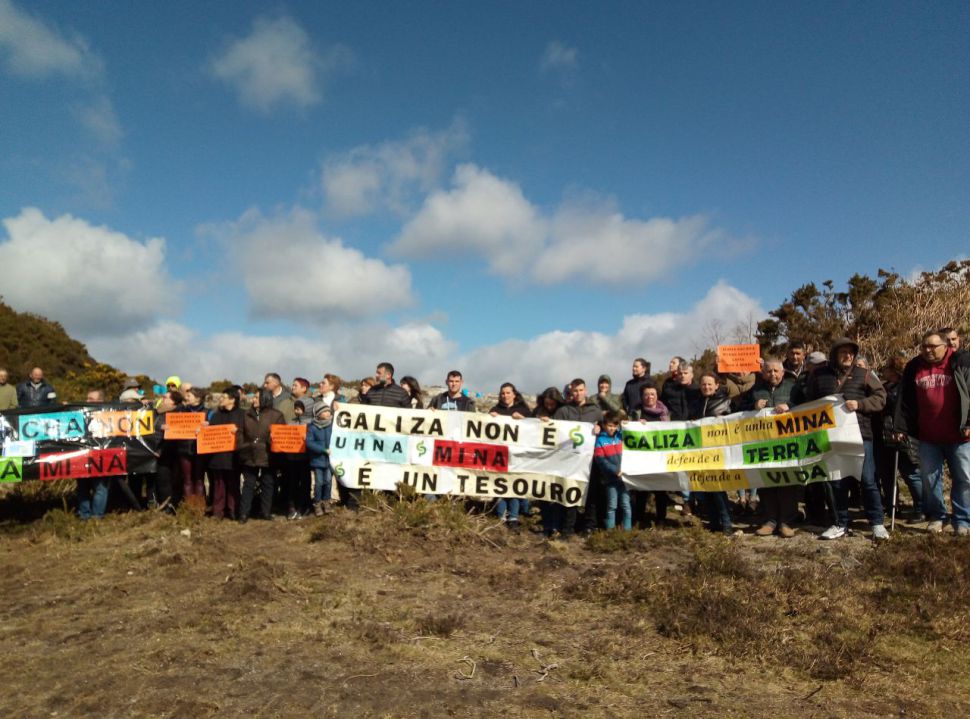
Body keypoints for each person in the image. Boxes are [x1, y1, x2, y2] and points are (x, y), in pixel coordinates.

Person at [803, 338, 888, 540]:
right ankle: (840, 523)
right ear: (834, 354)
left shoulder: (864, 374)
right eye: (843, 352)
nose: (848, 356)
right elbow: (809, 404)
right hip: (831, 438)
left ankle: (877, 523)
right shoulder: (819, 375)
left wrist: (860, 404)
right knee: (837, 482)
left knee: (867, 480)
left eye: (851, 352)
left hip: (861, 436)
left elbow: (880, 397)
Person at [895, 331, 970, 535]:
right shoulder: (914, 367)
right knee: (930, 480)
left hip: (959, 436)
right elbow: (905, 399)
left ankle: (962, 519)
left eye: (933, 346)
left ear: (945, 346)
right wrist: (900, 427)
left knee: (964, 478)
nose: (927, 350)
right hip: (928, 436)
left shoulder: (960, 362)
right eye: (924, 346)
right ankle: (938, 516)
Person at [743, 360, 797, 537]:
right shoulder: (756, 390)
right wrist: (753, 406)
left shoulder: (792, 387)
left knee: (787, 482)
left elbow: (806, 404)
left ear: (782, 372)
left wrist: (790, 406)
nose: (772, 374)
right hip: (764, 444)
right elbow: (739, 408)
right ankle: (770, 521)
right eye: (768, 371)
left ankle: (786, 522)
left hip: (787, 443)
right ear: (763, 373)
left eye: (775, 371)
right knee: (767, 482)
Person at [546, 378, 602, 538]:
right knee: (569, 493)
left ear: (586, 391)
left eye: (580, 390)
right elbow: (554, 429)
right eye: (574, 391)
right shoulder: (563, 411)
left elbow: (608, 428)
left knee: (591, 494)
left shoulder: (595, 410)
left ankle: (589, 527)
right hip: (569, 461)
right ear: (570, 393)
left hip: (590, 461)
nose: (578, 394)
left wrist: (600, 428)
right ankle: (568, 528)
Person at [689, 373, 738, 536]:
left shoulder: (726, 401)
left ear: (717, 385)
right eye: (703, 384)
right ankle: (714, 523)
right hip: (700, 452)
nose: (706, 387)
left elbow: (734, 421)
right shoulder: (695, 403)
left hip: (718, 451)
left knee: (717, 488)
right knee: (706, 488)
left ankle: (727, 523)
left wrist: (723, 418)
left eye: (710, 384)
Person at [877, 357, 923, 522]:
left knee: (911, 473)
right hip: (886, 436)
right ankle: (892, 506)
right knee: (888, 474)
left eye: (886, 368)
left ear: (893, 370)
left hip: (904, 435)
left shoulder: (906, 388)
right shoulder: (885, 387)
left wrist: (901, 430)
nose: (883, 371)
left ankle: (921, 507)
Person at [239, 389, 286, 523]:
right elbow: (240, 433)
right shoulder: (246, 414)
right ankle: (244, 513)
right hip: (249, 453)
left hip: (268, 454)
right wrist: (243, 446)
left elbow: (281, 435)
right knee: (248, 484)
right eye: (254, 397)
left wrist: (272, 440)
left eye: (256, 397)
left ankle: (266, 512)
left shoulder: (276, 415)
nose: (253, 399)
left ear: (264, 399)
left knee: (268, 483)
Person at [489, 383, 531, 527]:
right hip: (499, 456)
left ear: (514, 394)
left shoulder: (523, 410)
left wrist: (523, 419)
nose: (505, 396)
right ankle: (501, 515)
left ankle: (513, 516)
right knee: (500, 485)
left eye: (508, 393)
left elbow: (534, 429)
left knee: (514, 486)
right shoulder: (495, 410)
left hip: (517, 456)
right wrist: (490, 418)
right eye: (503, 393)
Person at [207, 386, 245, 520]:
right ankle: (218, 512)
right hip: (217, 456)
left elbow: (248, 432)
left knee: (233, 484)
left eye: (223, 397)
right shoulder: (216, 416)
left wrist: (238, 430)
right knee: (219, 485)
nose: (221, 399)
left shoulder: (243, 415)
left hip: (234, 456)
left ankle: (234, 511)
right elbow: (209, 434)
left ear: (232, 399)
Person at [594, 410, 630, 530]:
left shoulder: (621, 436)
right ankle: (610, 531)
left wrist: (640, 424)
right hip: (610, 479)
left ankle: (627, 529)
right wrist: (614, 470)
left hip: (624, 479)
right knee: (612, 506)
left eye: (615, 426)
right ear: (604, 425)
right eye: (609, 425)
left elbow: (634, 432)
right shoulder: (600, 440)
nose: (612, 428)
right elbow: (601, 460)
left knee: (626, 505)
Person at [76, 389, 110, 520]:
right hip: (83, 455)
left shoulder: (109, 414)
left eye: (91, 399)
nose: (87, 401)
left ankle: (97, 516)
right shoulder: (81, 413)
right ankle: (84, 515)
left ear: (100, 401)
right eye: (87, 398)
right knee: (82, 486)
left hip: (101, 456)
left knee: (100, 487)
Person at [306, 401, 334, 516]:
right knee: (319, 483)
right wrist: (323, 450)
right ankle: (317, 503)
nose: (328, 413)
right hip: (318, 460)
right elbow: (309, 443)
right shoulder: (312, 428)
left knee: (328, 482)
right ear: (318, 414)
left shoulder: (332, 425)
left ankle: (326, 502)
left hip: (329, 461)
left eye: (328, 411)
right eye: (325, 411)